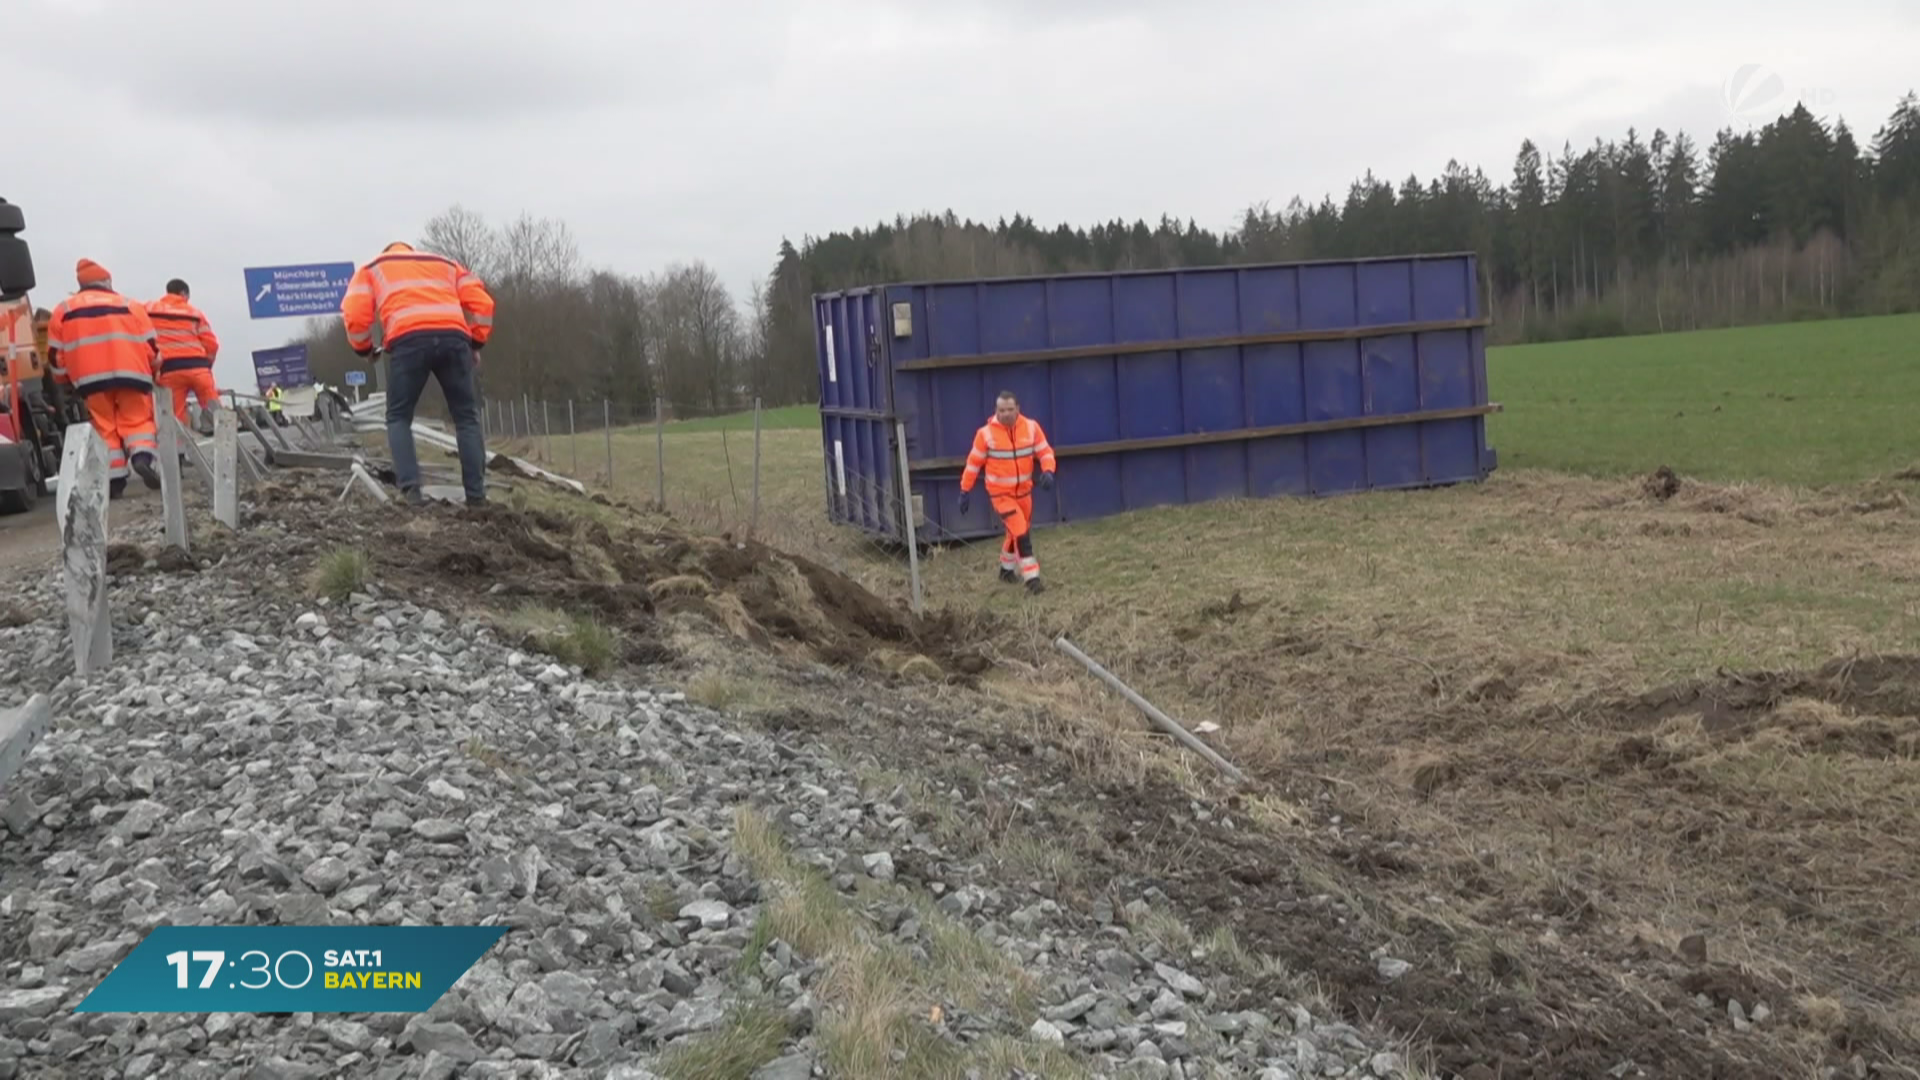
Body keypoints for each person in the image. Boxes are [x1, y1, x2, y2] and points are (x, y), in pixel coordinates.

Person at [341, 241, 494, 506]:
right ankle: (477, 498)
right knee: (467, 418)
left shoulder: (373, 267)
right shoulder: (445, 264)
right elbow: (483, 303)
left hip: (408, 340)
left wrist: (365, 349)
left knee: (398, 417)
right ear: (412, 251)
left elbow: (354, 314)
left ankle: (411, 494)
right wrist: (476, 342)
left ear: (388, 251)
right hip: (454, 339)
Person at [44, 259, 161, 496]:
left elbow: (55, 356)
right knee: (137, 420)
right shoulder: (129, 304)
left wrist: (63, 381)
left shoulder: (64, 310)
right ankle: (141, 457)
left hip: (90, 380)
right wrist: (155, 369)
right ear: (107, 281)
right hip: (133, 374)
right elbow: (152, 346)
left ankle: (115, 481)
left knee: (105, 428)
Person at [958, 389, 1057, 594]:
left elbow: (1045, 451)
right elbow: (973, 464)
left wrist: (1048, 471)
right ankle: (1032, 579)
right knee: (1021, 532)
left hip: (1024, 493)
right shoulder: (985, 434)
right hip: (1001, 495)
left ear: (1018, 409)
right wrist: (964, 490)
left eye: (1010, 409)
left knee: (1015, 533)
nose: (1006, 414)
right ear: (996, 410)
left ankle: (1005, 570)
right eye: (1001, 410)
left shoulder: (1031, 428)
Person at [145, 278, 220, 438]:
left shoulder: (150, 309)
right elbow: (212, 345)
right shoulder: (194, 313)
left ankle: (179, 455)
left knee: (174, 416)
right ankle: (228, 445)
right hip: (198, 367)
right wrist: (207, 366)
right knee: (215, 409)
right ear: (184, 294)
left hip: (169, 369)